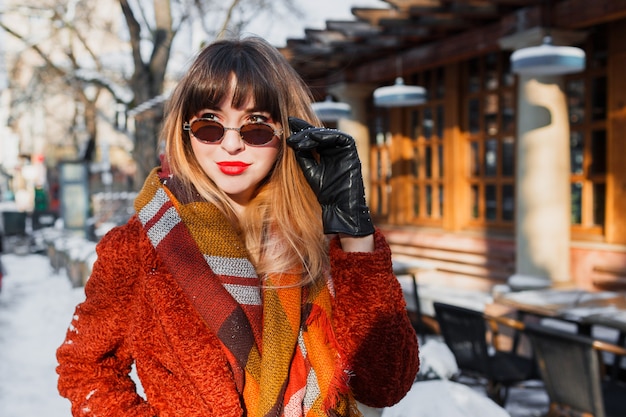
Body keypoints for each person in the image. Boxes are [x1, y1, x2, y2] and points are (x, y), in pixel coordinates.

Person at [56, 36, 419, 417]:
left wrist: (355, 236)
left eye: (256, 127)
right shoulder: (141, 245)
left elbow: (386, 385)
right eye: (209, 125)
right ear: (185, 132)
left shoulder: (325, 240)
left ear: (288, 133)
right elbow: (84, 369)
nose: (231, 145)